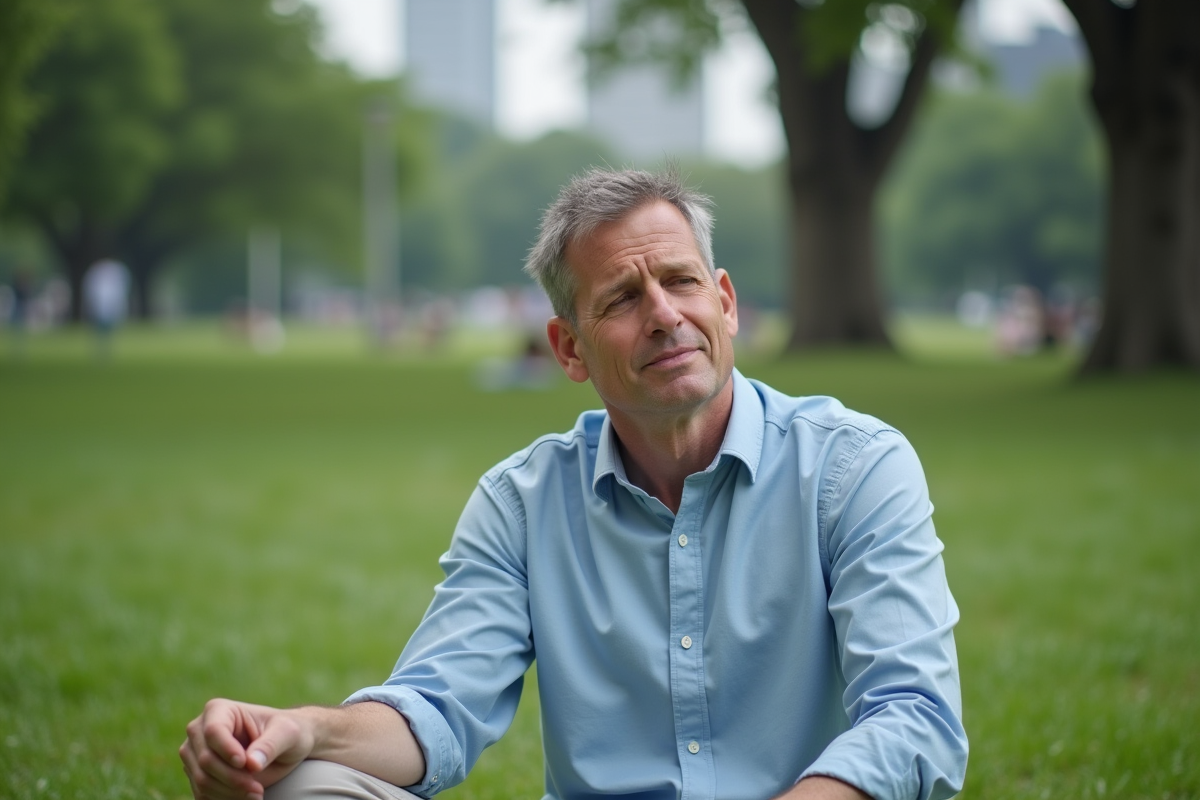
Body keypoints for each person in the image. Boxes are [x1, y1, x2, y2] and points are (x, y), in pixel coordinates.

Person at [181, 168, 968, 800]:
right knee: (301, 786)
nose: (664, 315)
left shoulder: (855, 466)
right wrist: (302, 732)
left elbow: (916, 718)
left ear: (725, 303)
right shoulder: (522, 503)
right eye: (623, 299)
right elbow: (439, 708)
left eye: (681, 282)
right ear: (568, 349)